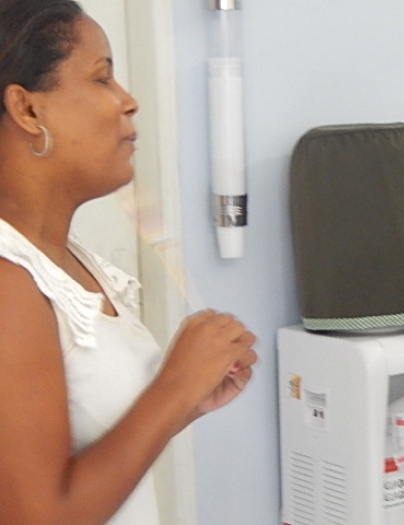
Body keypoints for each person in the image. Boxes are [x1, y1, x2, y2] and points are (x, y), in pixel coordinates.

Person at [0, 1, 258, 524]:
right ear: (27, 110)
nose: (128, 101)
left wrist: (188, 398)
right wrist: (174, 388)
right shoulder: (8, 282)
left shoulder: (66, 260)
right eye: (102, 79)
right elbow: (37, 515)